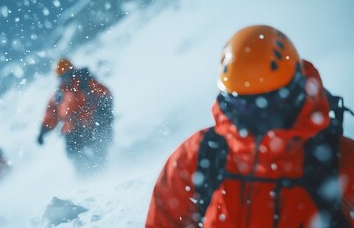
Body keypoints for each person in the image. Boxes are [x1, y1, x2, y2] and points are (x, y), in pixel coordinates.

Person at [146, 25, 354, 227]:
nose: (256, 117)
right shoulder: (200, 155)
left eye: (270, 102)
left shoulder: (341, 163)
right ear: (226, 101)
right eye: (242, 105)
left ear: (296, 93)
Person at [37, 58, 114, 173]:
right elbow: (50, 115)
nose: (65, 78)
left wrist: (103, 112)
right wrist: (43, 130)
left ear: (72, 71)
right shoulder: (58, 95)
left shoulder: (85, 82)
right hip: (72, 130)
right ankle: (85, 177)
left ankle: (104, 172)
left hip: (92, 123)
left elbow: (105, 93)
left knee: (99, 148)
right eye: (62, 76)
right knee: (75, 155)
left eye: (67, 74)